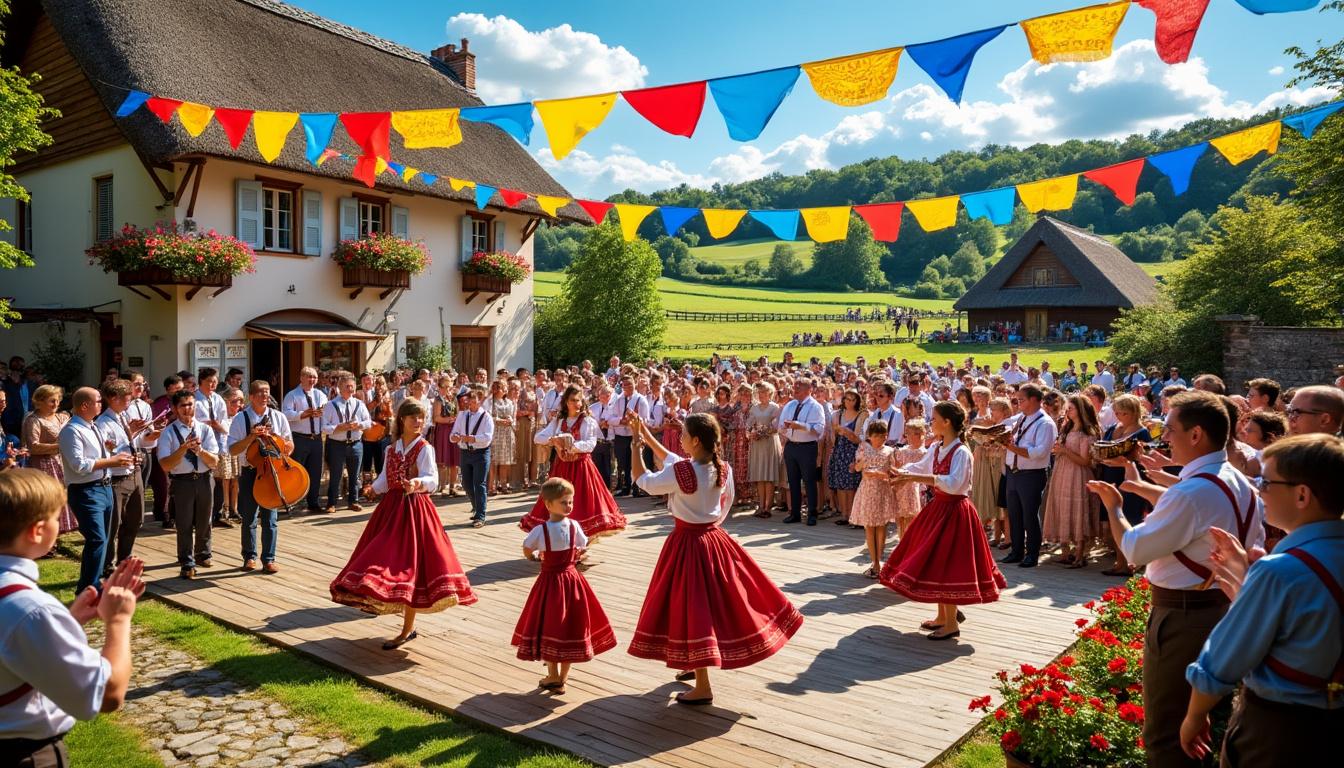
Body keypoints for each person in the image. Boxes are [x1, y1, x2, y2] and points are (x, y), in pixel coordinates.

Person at [1088, 390, 1264, 768]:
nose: (1164, 438)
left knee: (1167, 734)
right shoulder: (1238, 481)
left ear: (1196, 434)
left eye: (1170, 429)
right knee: (1204, 728)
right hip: (1222, 607)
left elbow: (1134, 549)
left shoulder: (1190, 492)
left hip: (1184, 616)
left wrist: (1115, 508)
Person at [1180, 433, 1344, 765]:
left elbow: (1222, 661)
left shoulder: (1280, 570)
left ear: (1302, 495)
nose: (1259, 490)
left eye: (1266, 482)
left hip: (1281, 729)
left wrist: (1194, 715)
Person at [628, 412, 803, 706]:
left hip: (687, 543)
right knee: (707, 605)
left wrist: (635, 446)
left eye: (684, 434)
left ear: (696, 441)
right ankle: (691, 661)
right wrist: (644, 433)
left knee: (693, 606)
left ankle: (703, 685)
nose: (680, 438)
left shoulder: (684, 472)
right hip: (714, 539)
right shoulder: (721, 468)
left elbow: (643, 480)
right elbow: (722, 499)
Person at [0, 469, 144, 766]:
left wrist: (68, 620)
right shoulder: (31, 610)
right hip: (22, 754)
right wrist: (118, 620)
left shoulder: (23, 607)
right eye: (56, 518)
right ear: (37, 531)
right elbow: (108, 692)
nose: (65, 524)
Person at [330, 399, 476, 650]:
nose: (418, 422)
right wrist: (372, 489)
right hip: (391, 509)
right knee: (382, 559)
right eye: (413, 417)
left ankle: (407, 629)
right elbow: (385, 479)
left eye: (421, 417)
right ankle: (380, 601)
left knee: (413, 568)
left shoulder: (424, 447)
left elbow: (433, 479)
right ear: (402, 420)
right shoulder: (391, 448)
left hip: (416, 510)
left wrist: (417, 483)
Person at [882, 401, 1006, 641]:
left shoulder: (961, 452)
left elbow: (954, 483)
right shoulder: (938, 448)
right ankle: (942, 616)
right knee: (936, 561)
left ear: (947, 422)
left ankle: (951, 624)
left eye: (935, 418)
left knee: (947, 565)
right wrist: (903, 472)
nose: (931, 422)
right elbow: (921, 465)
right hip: (939, 508)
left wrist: (915, 476)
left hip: (955, 512)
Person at [512, 477, 616, 694]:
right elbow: (583, 546)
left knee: (550, 624)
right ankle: (558, 678)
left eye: (570, 502)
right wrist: (576, 555)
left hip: (550, 583)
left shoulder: (541, 530)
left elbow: (526, 547)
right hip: (571, 582)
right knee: (568, 627)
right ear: (548, 505)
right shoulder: (574, 526)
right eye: (564, 502)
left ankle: (555, 676)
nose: (569, 506)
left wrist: (533, 558)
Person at [522, 385, 626, 540]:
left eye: (579, 400)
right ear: (566, 402)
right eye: (573, 400)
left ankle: (581, 545)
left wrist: (571, 446)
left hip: (581, 467)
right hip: (562, 468)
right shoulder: (559, 421)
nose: (577, 404)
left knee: (584, 504)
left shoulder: (588, 421)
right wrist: (554, 440)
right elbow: (538, 437)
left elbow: (590, 444)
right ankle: (559, 540)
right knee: (557, 499)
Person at [59, 387, 136, 593]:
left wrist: (112, 453)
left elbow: (99, 456)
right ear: (85, 405)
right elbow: (79, 465)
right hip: (86, 490)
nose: (101, 405)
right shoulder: (71, 430)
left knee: (106, 537)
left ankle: (95, 582)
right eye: (98, 401)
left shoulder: (92, 426)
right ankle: (88, 588)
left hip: (105, 487)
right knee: (97, 538)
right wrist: (111, 460)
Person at [94, 379, 159, 577]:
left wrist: (145, 438)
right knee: (114, 524)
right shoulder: (103, 422)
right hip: (116, 479)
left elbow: (131, 442)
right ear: (114, 398)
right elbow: (107, 449)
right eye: (127, 398)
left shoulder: (122, 417)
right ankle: (107, 564)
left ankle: (124, 558)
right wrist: (127, 444)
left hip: (134, 473)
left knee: (135, 519)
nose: (130, 401)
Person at [227, 380, 293, 574]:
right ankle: (249, 556)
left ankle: (269, 559)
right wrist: (252, 437)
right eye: (261, 393)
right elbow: (232, 449)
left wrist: (278, 441)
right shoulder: (241, 419)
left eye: (268, 392)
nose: (266, 396)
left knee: (271, 518)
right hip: (250, 472)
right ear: (252, 397)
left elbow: (290, 445)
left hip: (272, 472)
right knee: (249, 517)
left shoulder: (278, 417)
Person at [157, 390, 220, 579]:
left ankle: (203, 553)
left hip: (204, 478)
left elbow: (214, 461)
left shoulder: (205, 429)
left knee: (205, 519)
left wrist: (199, 450)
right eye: (183, 405)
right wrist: (183, 449)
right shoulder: (169, 432)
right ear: (175, 409)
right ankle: (186, 561)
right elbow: (165, 464)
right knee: (184, 523)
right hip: (182, 481)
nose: (188, 409)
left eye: (191, 404)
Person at [999, 384, 1057, 568]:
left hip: (1031, 474)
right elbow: (1005, 427)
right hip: (1014, 472)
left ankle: (1032, 554)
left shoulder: (1045, 423)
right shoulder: (1022, 418)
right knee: (1014, 513)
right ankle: (1016, 551)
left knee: (1029, 515)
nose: (1018, 403)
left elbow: (1040, 452)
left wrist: (1012, 448)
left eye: (1021, 399)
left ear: (1034, 400)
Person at [1096, 394, 1154, 576]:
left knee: (1129, 519)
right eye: (1117, 412)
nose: (1119, 416)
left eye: (1123, 413)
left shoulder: (1142, 432)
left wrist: (1123, 461)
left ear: (1134, 412)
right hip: (1110, 475)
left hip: (1129, 479)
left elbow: (1145, 459)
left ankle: (1128, 563)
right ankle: (1119, 560)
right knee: (1112, 519)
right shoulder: (1113, 427)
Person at [1041, 395, 1100, 569]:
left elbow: (1085, 461)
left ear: (1081, 410)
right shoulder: (1067, 428)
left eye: (1071, 408)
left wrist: (1064, 451)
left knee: (1077, 510)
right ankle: (1065, 552)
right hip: (1063, 473)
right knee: (1061, 508)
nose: (1067, 411)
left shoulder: (1087, 432)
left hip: (1078, 474)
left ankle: (1080, 554)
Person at [849, 419, 902, 579]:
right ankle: (875, 562)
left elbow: (894, 472)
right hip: (867, 490)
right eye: (878, 435)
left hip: (883, 491)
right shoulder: (863, 448)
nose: (881, 439)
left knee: (881, 526)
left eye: (884, 435)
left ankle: (879, 561)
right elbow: (857, 468)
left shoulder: (890, 451)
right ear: (870, 436)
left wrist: (882, 474)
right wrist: (862, 463)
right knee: (869, 527)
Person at [21, 386, 74, 534]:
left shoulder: (61, 417)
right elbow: (33, 446)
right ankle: (44, 536)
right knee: (46, 501)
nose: (56, 404)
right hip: (42, 466)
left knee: (60, 498)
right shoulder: (34, 420)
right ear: (40, 401)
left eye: (58, 400)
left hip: (60, 463)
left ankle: (55, 534)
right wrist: (59, 446)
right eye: (52, 401)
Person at [777, 377, 826, 525]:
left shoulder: (816, 407)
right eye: (794, 387)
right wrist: (785, 428)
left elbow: (819, 429)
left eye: (799, 387)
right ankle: (795, 513)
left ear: (809, 390)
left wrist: (801, 426)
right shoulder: (790, 405)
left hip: (807, 447)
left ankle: (812, 514)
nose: (795, 389)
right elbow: (780, 425)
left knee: (809, 481)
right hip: (791, 446)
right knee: (793, 481)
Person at [321, 374, 371, 514]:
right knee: (335, 474)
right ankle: (331, 503)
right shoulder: (331, 405)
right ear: (339, 388)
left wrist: (358, 425)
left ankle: (353, 501)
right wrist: (338, 428)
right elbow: (323, 427)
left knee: (354, 475)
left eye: (352, 386)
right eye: (347, 386)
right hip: (337, 444)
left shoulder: (359, 404)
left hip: (355, 444)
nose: (350, 389)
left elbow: (368, 422)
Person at [282, 367, 328, 515]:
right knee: (297, 472)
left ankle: (313, 502)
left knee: (315, 472)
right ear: (301, 378)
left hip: (316, 439)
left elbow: (328, 412)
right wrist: (303, 414)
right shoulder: (292, 395)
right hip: (300, 438)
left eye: (314, 377)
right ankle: (294, 502)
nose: (312, 380)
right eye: (309, 377)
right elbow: (286, 414)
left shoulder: (320, 394)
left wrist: (322, 413)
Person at [451, 385, 494, 528]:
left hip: (481, 453)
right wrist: (455, 437)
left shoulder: (486, 416)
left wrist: (473, 438)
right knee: (466, 484)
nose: (471, 404)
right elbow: (453, 434)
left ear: (480, 401)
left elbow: (488, 437)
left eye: (474, 401)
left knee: (479, 483)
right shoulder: (462, 415)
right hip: (465, 452)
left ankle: (480, 516)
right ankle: (477, 507)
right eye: (469, 401)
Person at [825, 389, 864, 526]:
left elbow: (859, 438)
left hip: (853, 451)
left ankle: (853, 515)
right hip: (839, 451)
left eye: (853, 399)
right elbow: (832, 436)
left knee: (852, 484)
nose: (850, 402)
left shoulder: (861, 415)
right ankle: (844, 514)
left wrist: (847, 433)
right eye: (847, 399)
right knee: (841, 484)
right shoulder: (837, 414)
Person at [609, 375, 650, 498]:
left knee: (636, 461)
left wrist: (633, 419)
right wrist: (621, 421)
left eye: (629, 384)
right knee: (623, 462)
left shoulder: (641, 399)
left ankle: (637, 487)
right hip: (621, 434)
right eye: (624, 385)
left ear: (634, 385)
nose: (626, 387)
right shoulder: (618, 400)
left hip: (634, 435)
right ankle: (626, 487)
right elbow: (610, 418)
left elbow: (646, 420)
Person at [747, 382, 781, 520]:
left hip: (770, 442)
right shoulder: (754, 408)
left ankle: (768, 506)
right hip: (758, 444)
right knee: (760, 476)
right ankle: (761, 505)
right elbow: (749, 425)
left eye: (765, 393)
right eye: (760, 393)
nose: (762, 395)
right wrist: (751, 433)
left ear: (770, 394)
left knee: (769, 476)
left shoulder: (774, 407)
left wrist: (766, 432)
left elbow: (777, 426)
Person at [430, 381, 460, 497]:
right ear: (440, 387)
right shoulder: (438, 400)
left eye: (449, 386)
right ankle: (443, 486)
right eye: (445, 386)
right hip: (443, 430)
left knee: (454, 460)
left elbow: (458, 413)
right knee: (443, 459)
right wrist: (448, 420)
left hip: (453, 430)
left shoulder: (453, 399)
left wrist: (456, 419)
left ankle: (452, 487)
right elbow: (436, 418)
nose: (447, 389)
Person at [487, 380, 516, 495]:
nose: (504, 389)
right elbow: (488, 416)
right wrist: (499, 421)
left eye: (504, 387)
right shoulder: (490, 402)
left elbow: (513, 416)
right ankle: (491, 486)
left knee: (505, 460)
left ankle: (503, 485)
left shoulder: (509, 402)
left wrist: (510, 420)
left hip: (507, 432)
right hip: (495, 432)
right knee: (494, 460)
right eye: (500, 387)